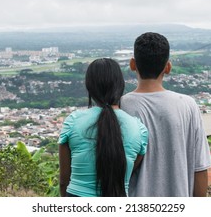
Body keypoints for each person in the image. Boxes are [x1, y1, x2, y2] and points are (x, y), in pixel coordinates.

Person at [120, 32, 211, 197]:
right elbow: (200, 169)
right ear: (168, 67)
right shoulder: (188, 105)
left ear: (132, 64)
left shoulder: (120, 106)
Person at [58, 58, 148, 197]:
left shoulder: (73, 122)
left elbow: (64, 179)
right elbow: (127, 172)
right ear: (120, 85)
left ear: (90, 87)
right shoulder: (138, 129)